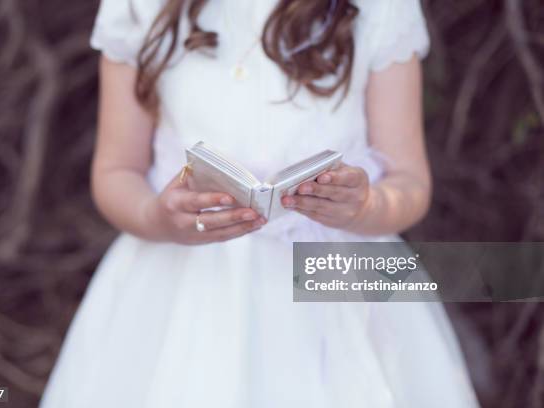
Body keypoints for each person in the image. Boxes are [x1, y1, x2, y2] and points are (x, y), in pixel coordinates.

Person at [40, 0, 480, 406]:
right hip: (184, 281)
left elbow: (411, 182)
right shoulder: (140, 7)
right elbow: (116, 171)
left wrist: (365, 207)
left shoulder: (378, 8)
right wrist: (155, 216)